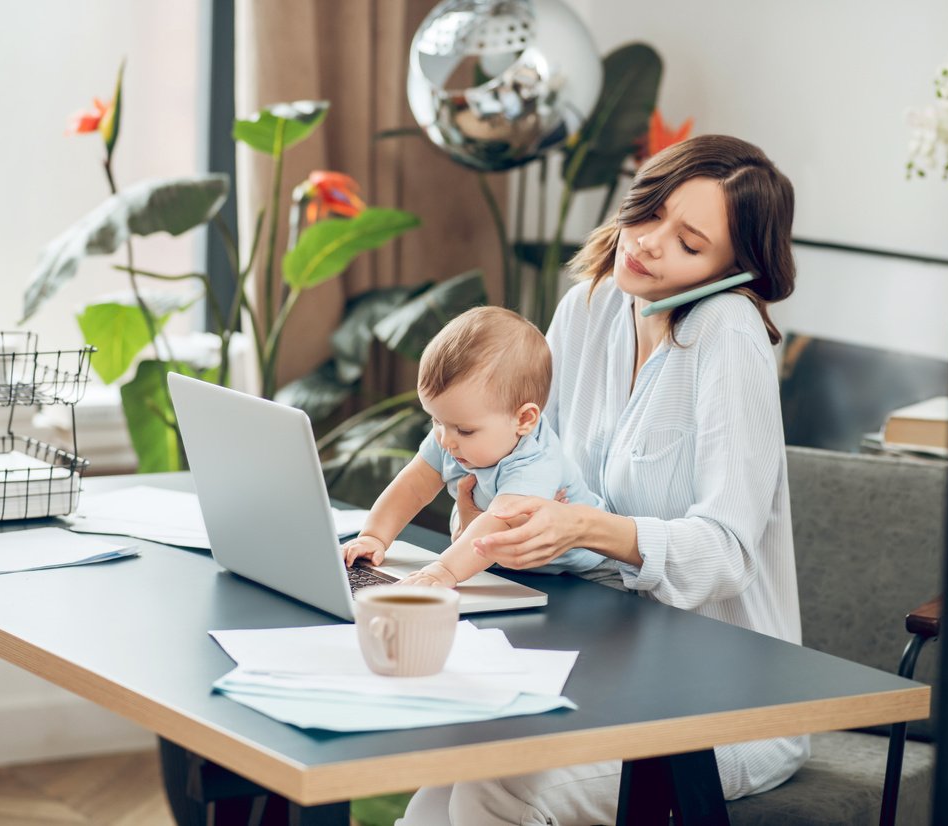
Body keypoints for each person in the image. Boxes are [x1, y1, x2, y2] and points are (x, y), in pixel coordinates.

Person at [396, 134, 807, 825]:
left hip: (717, 701)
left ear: (733, 268)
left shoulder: (728, 338)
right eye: (649, 214)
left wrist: (584, 527)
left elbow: (725, 554)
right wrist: (487, 508)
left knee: (500, 790)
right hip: (598, 664)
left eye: (688, 242)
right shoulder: (589, 307)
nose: (647, 243)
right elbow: (523, 451)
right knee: (442, 781)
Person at [342, 305, 605, 587]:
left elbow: (496, 524)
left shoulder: (535, 463)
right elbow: (412, 486)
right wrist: (374, 536)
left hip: (584, 574)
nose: (445, 440)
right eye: (436, 421)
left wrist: (444, 571)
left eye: (465, 430)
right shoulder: (454, 432)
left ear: (524, 419)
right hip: (509, 568)